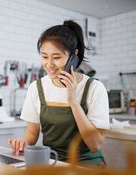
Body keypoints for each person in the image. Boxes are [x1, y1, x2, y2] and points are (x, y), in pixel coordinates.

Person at [8, 20, 109, 166]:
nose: (49, 64)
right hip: (51, 162)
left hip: (86, 165)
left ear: (73, 56)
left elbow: (95, 145)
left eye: (56, 57)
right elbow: (32, 132)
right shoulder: (36, 87)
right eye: (44, 56)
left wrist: (73, 101)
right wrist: (23, 142)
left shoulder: (94, 88)